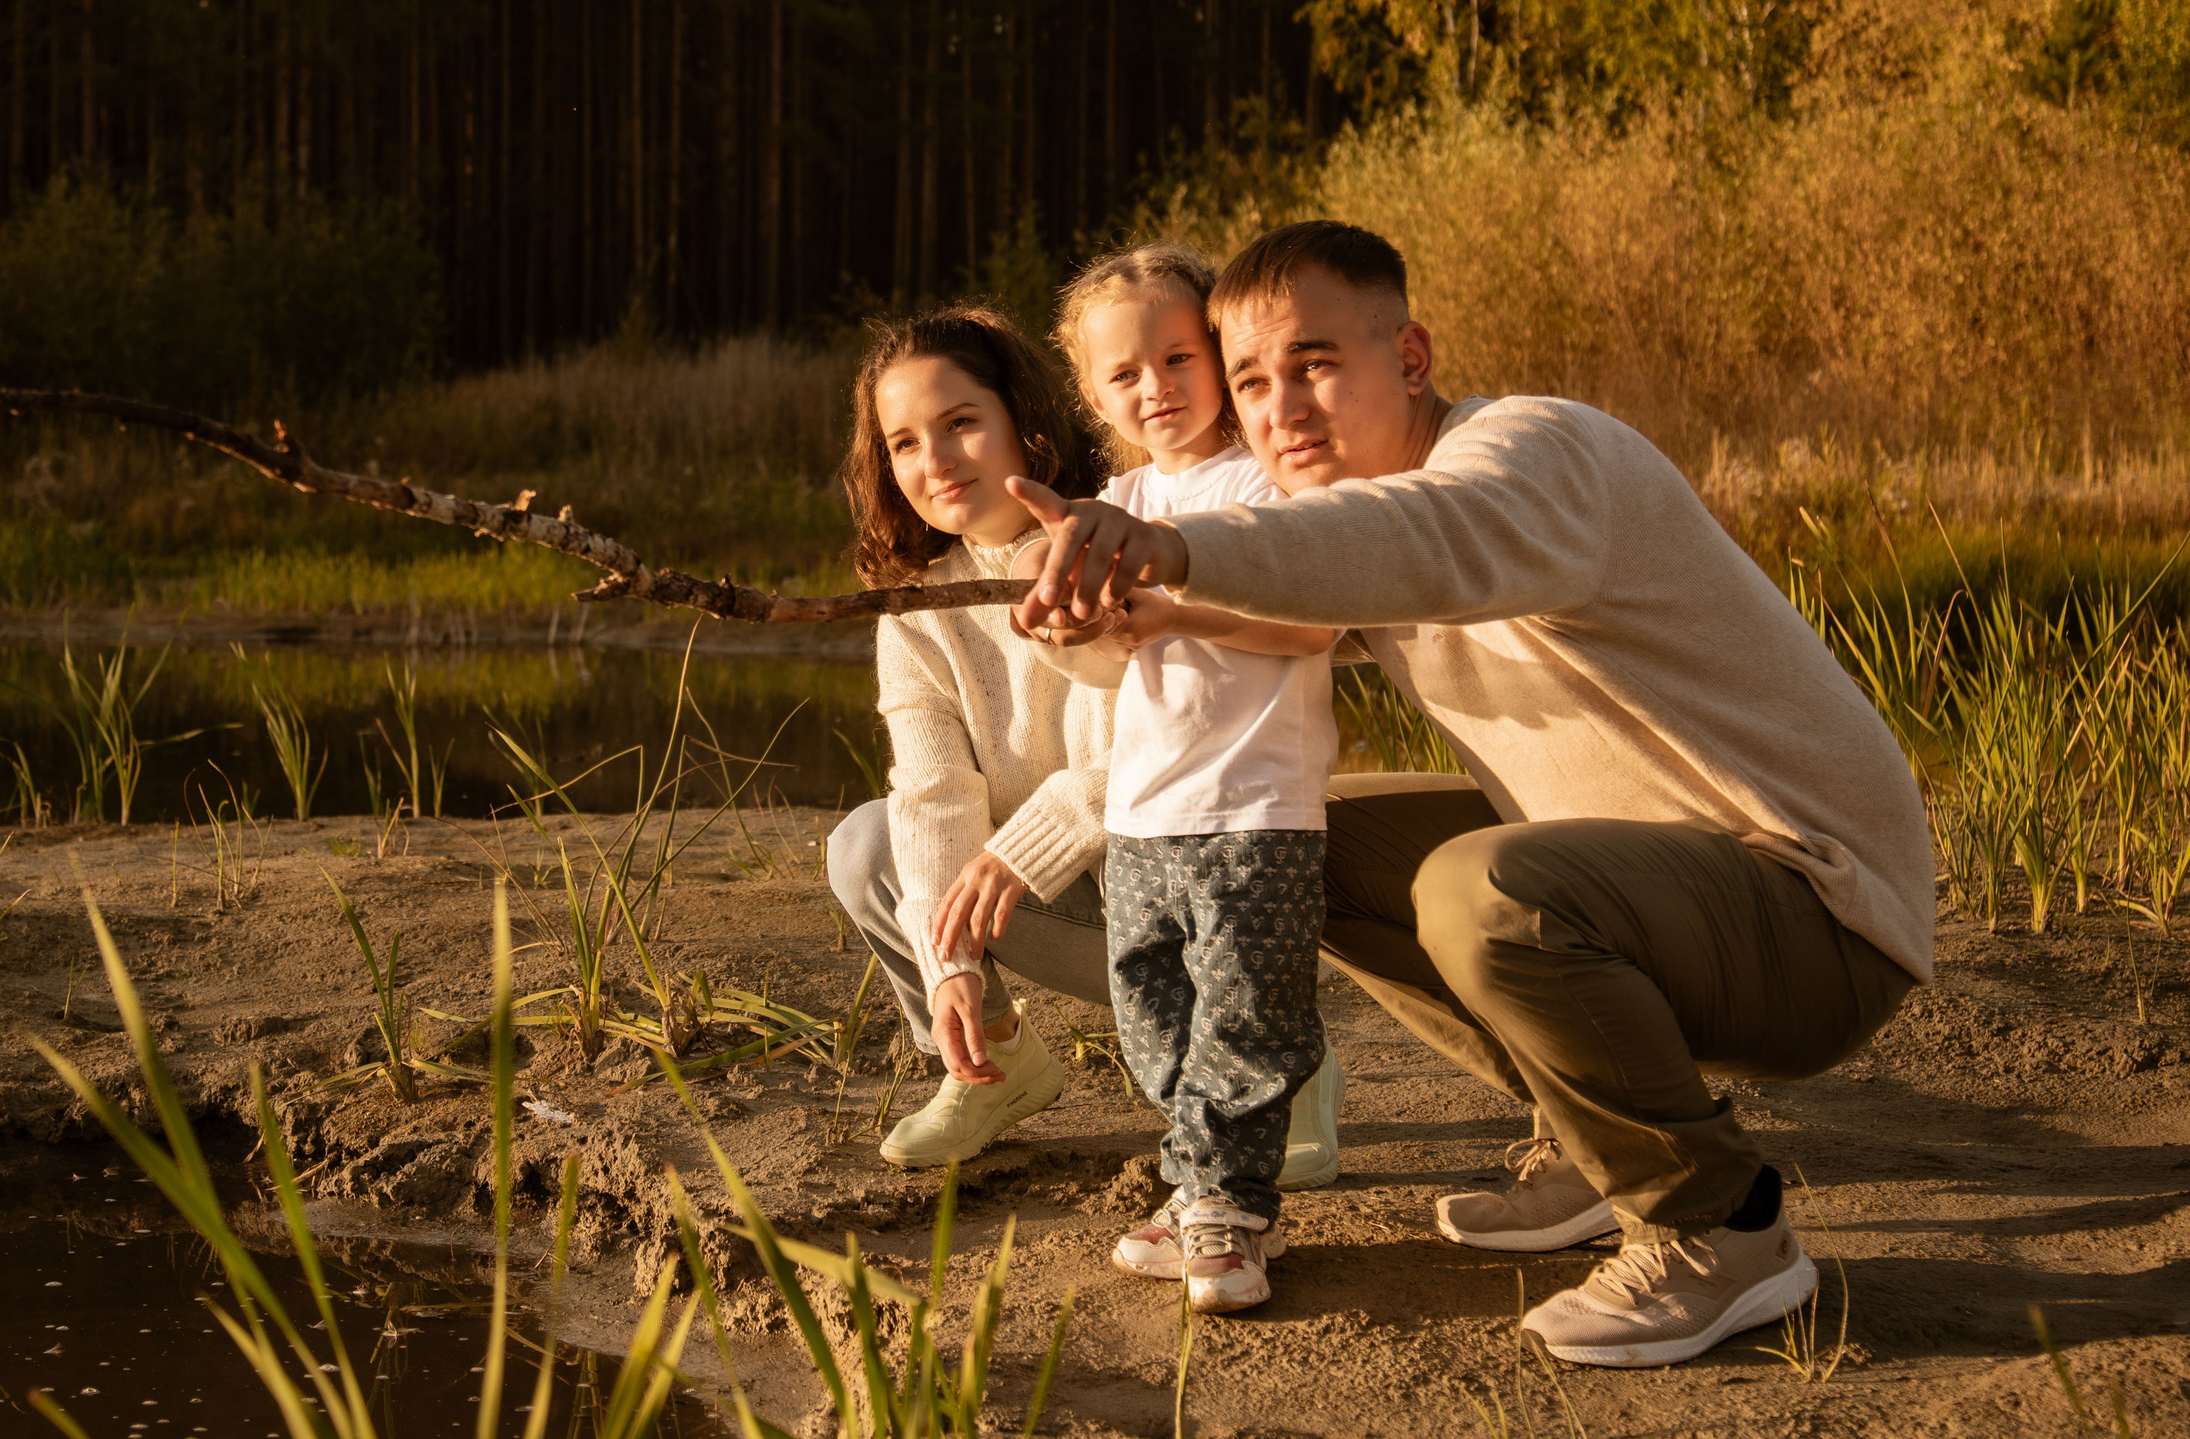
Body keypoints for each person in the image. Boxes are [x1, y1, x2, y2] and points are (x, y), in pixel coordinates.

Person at [1008, 220, 1932, 1369]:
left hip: (1819, 909)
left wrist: (1170, 546)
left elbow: (1428, 537)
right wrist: (1100, 616)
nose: (1280, 411)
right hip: (1677, 891)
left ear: (1409, 357)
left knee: (1477, 888)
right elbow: (1268, 616)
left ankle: (1718, 1229)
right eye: (1249, 381)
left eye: (1314, 364)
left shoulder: (1534, 453)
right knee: (1297, 847)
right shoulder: (1366, 523)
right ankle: (1591, 1144)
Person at [1017, 242, 1344, 1314]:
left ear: (1216, 353)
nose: (1154, 389)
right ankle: (1194, 1178)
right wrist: (1072, 621)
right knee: (1152, 1011)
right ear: (1090, 392)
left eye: (1176, 357)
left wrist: (1177, 609)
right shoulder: (1117, 493)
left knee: (1245, 1013)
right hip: (1145, 808)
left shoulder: (1265, 477)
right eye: (1124, 374)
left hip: (1256, 805)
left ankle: (1231, 1208)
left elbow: (1312, 623)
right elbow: (1112, 658)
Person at [824, 305, 1117, 1169]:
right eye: (904, 442)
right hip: (1066, 905)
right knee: (869, 843)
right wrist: (948, 961)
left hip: (1183, 901)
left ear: (1024, 420)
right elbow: (934, 793)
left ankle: (1283, 1061)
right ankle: (992, 1066)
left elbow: (1157, 762)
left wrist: (1021, 851)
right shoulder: (917, 610)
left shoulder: (1118, 538)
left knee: (1158, 842)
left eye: (960, 424)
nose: (936, 461)